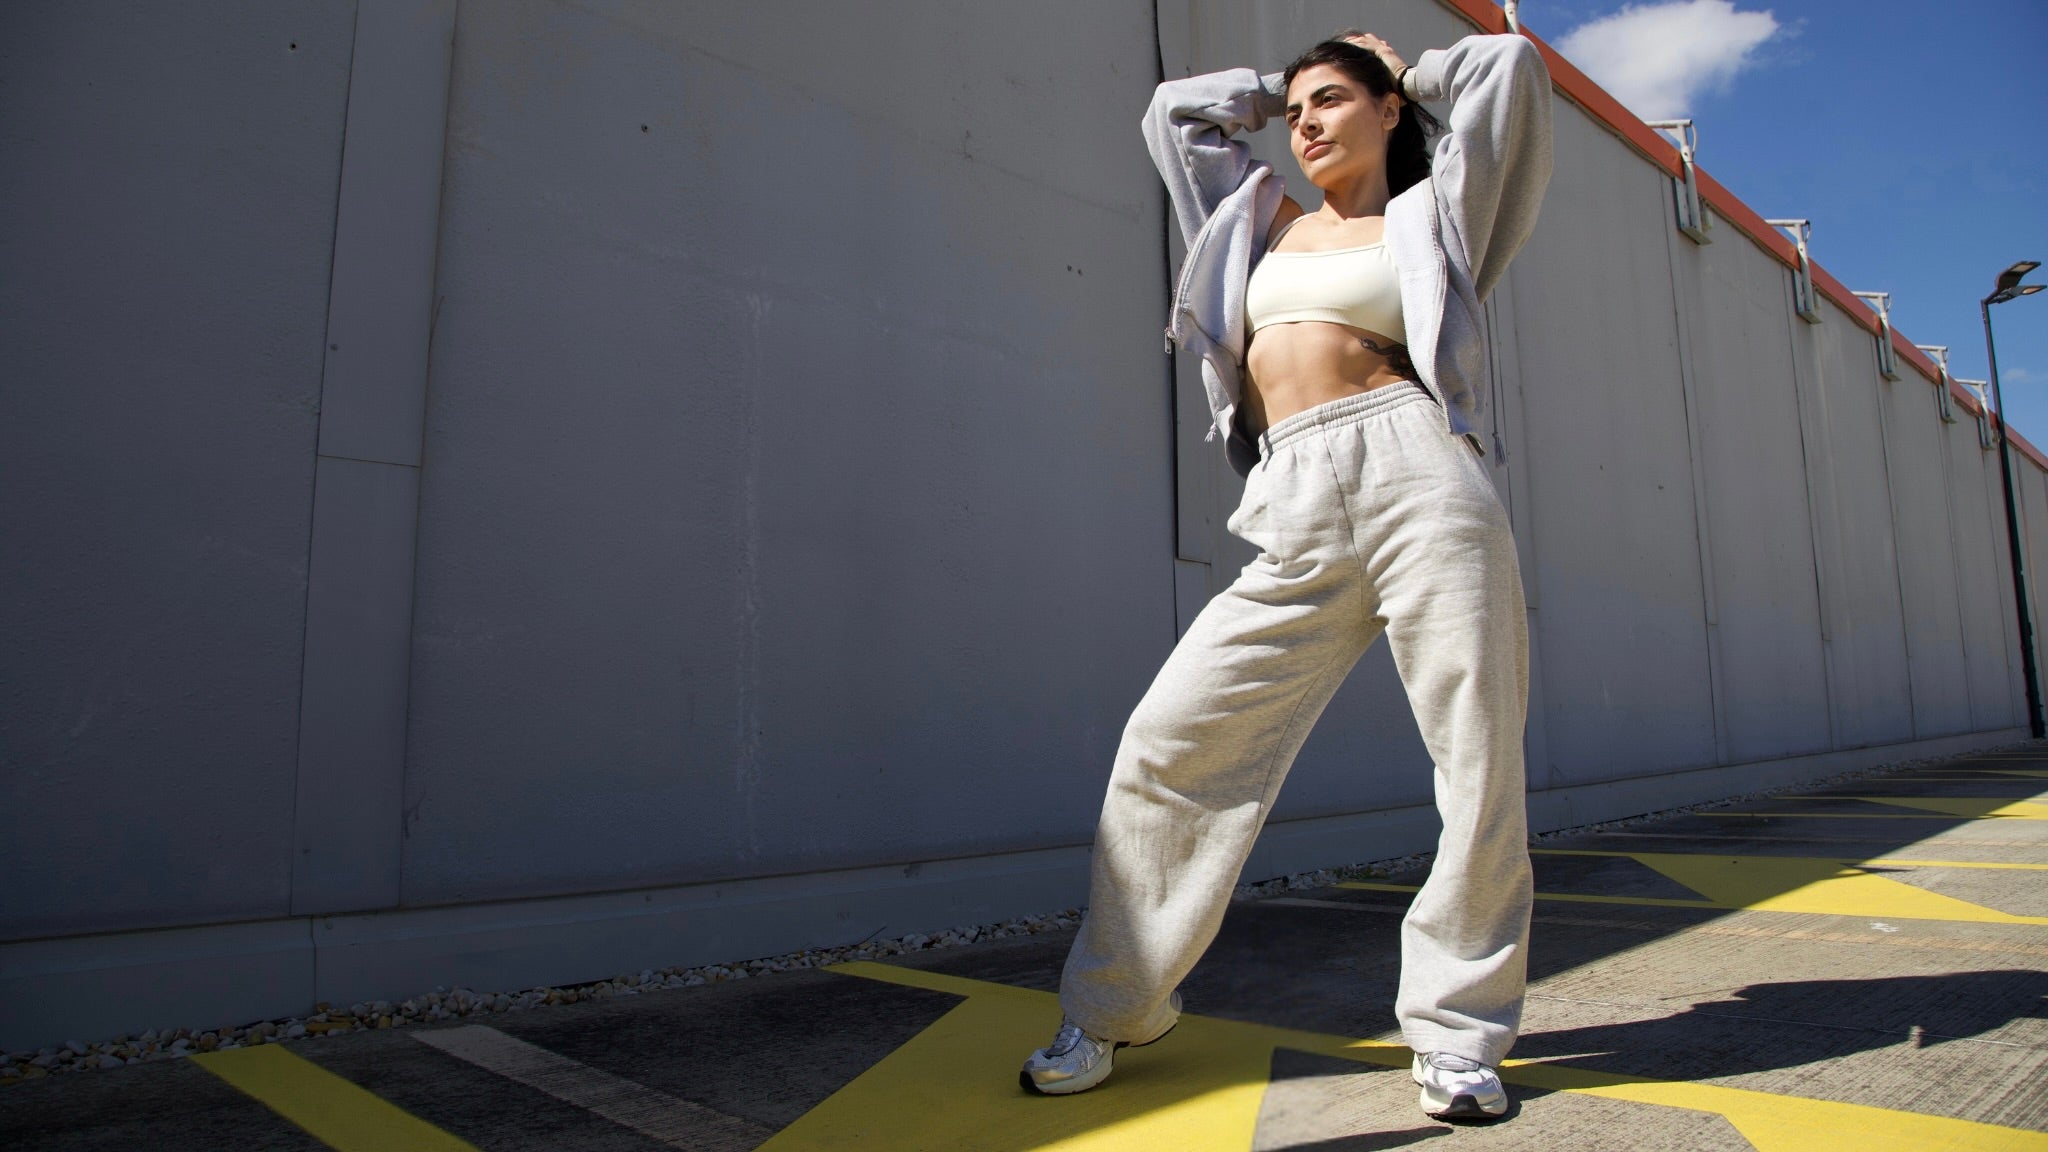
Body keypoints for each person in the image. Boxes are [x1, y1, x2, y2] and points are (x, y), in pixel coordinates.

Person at [1018, 27, 1554, 1122]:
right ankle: (1121, 1003)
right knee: (1171, 742)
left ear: (1389, 110)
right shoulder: (1255, 218)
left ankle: (1457, 1035)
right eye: (1296, 109)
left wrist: (1402, 69)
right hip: (1297, 499)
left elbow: (1510, 73)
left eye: (1331, 101)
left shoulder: (1435, 214)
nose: (1306, 123)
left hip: (1419, 477)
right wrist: (1276, 87)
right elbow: (1174, 112)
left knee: (1476, 764)